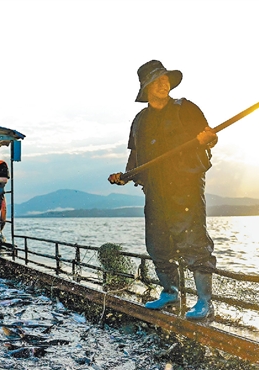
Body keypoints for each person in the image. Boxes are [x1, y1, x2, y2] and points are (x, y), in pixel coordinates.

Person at [108, 60, 218, 320]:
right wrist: (124, 176)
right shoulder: (140, 120)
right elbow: (136, 156)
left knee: (193, 242)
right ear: (146, 87)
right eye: (157, 80)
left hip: (185, 185)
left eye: (165, 78)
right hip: (155, 189)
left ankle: (205, 302)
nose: (163, 83)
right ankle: (170, 293)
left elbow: (210, 137)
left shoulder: (186, 108)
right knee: (158, 244)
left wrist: (206, 139)